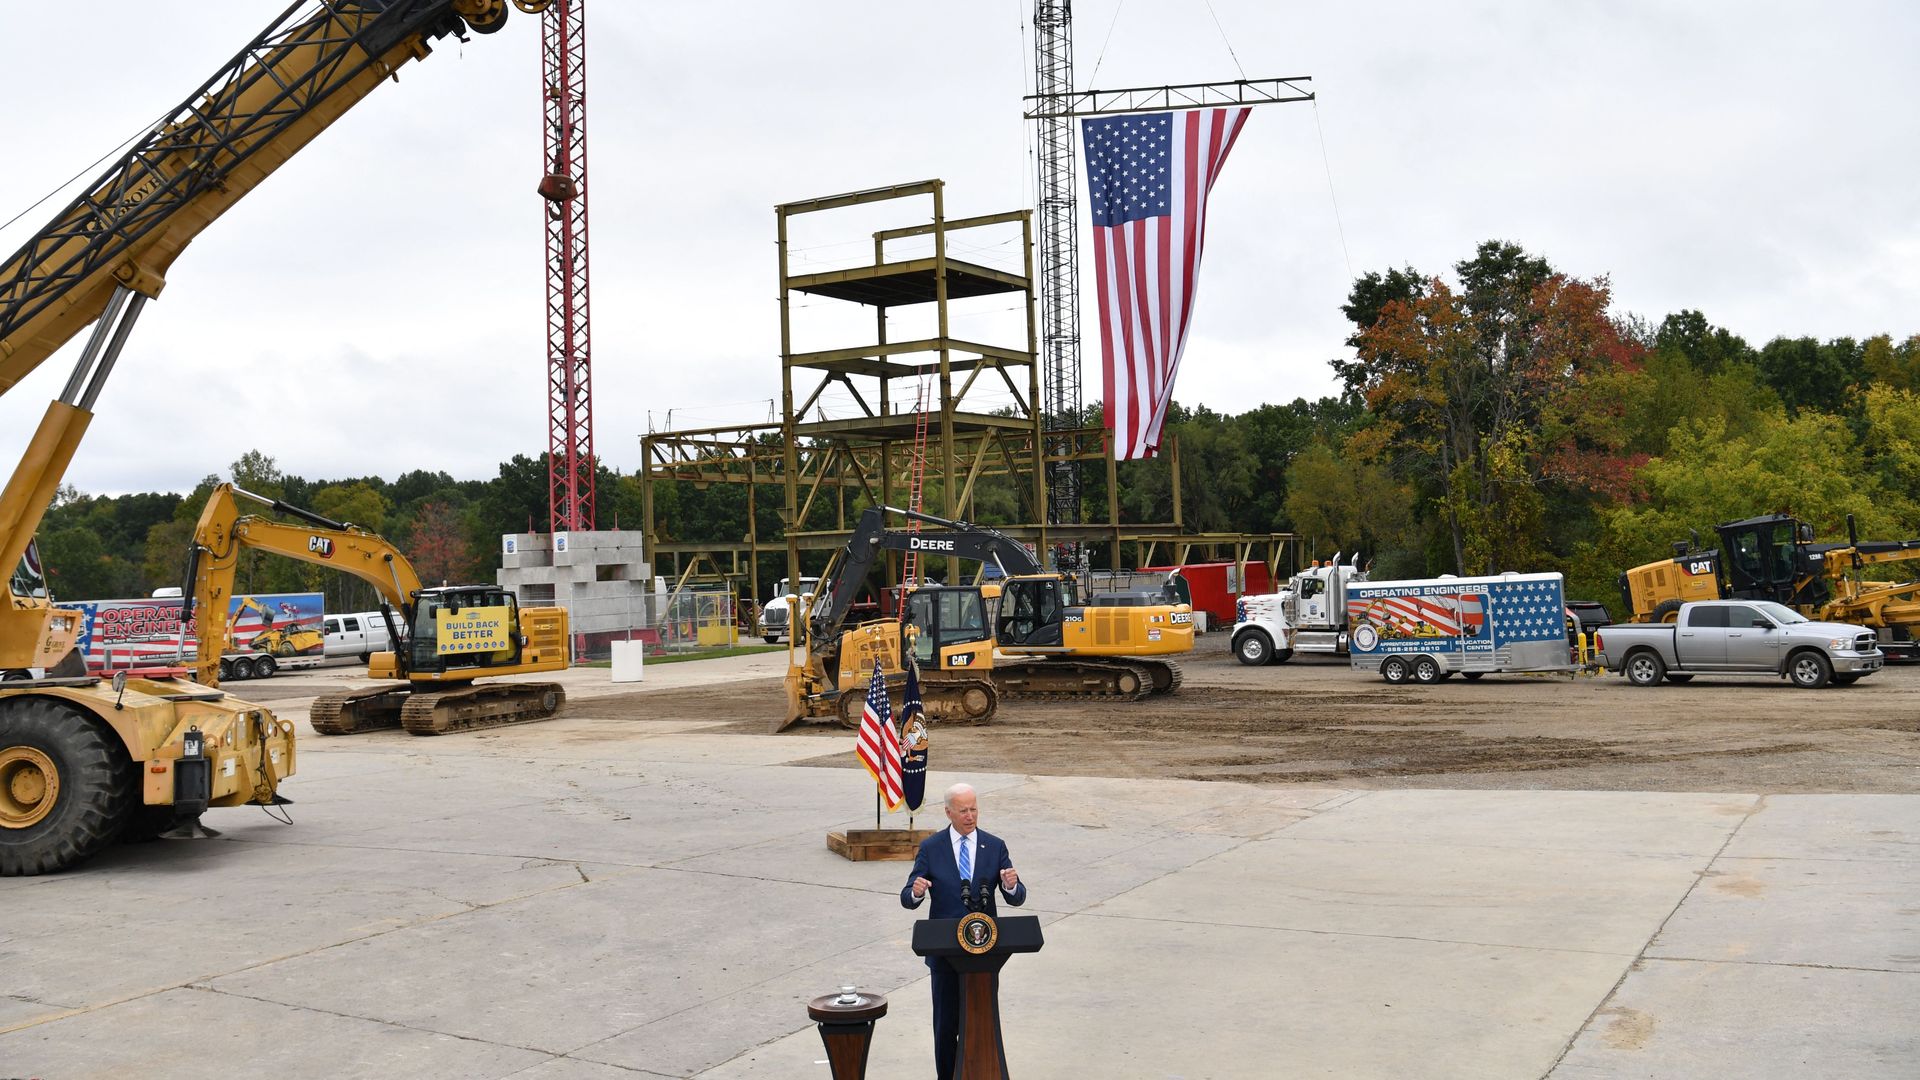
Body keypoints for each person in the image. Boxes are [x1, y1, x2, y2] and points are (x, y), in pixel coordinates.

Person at [900, 782, 1026, 1080]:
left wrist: (1010, 884)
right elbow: (907, 898)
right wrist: (917, 891)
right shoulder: (932, 847)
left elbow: (1017, 896)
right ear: (948, 812)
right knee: (945, 1027)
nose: (970, 816)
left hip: (985, 955)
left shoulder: (994, 846)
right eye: (963, 811)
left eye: (974, 809)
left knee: (982, 1023)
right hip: (945, 955)